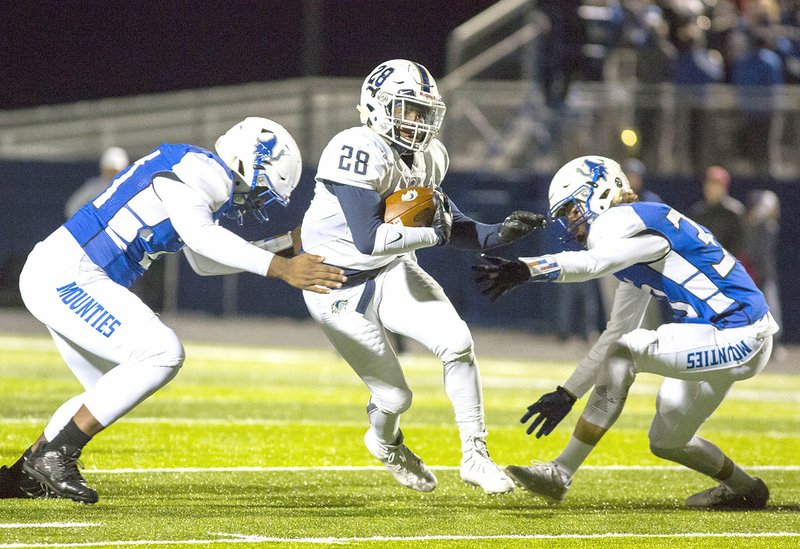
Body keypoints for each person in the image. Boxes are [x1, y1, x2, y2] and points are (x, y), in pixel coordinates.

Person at [0, 117, 346, 503]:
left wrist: (285, 244)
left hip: (65, 270)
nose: (257, 198)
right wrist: (282, 268)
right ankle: (56, 455)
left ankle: (20, 477)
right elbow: (204, 238)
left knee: (106, 392)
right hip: (71, 271)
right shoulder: (204, 172)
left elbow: (204, 262)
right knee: (162, 352)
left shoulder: (197, 171)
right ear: (249, 162)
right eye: (262, 187)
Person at [474, 155, 779, 509]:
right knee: (667, 440)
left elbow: (594, 264)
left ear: (600, 192)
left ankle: (561, 471)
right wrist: (568, 393)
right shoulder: (634, 238)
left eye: (572, 210)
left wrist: (528, 267)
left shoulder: (619, 221)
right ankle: (747, 489)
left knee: (628, 350)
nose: (570, 224)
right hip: (722, 335)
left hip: (739, 331)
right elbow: (614, 331)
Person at [301, 59, 545, 495]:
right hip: (333, 283)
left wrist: (498, 234)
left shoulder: (430, 156)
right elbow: (368, 239)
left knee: (457, 343)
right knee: (396, 399)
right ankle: (384, 442)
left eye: (422, 112)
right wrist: (436, 233)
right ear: (376, 107)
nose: (417, 121)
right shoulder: (354, 147)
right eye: (407, 109)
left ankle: (475, 455)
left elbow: (452, 224)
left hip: (392, 270)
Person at [690, 165, 746, 257]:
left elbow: (741, 245)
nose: (710, 187)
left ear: (724, 187)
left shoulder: (734, 211)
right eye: (708, 183)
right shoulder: (698, 211)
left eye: (715, 184)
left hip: (729, 264)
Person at [65, 146, 130, 219]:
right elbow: (73, 207)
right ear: (103, 169)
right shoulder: (93, 187)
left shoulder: (131, 188)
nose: (113, 174)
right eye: (110, 170)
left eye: (116, 171)